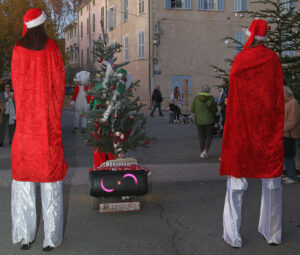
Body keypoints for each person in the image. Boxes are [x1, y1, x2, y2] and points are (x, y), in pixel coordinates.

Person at [220, 19, 284, 247]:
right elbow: (277, 98)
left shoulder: (241, 59)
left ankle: (232, 235)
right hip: (267, 130)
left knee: (236, 186)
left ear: (250, 36)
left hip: (243, 129)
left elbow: (235, 94)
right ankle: (273, 233)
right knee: (272, 184)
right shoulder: (274, 60)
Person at [11, 8, 68, 251]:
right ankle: (51, 239)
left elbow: (15, 85)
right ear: (42, 25)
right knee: (50, 185)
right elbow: (59, 85)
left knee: (24, 184)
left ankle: (25, 236)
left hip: (25, 130)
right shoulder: (52, 48)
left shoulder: (17, 49)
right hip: (46, 130)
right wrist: (54, 115)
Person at [191, 84, 217, 159]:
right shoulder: (211, 98)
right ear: (208, 90)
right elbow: (215, 109)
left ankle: (202, 152)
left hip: (199, 121)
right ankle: (205, 151)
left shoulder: (196, 98)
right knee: (209, 136)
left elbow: (193, 109)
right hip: (209, 121)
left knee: (201, 137)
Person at [282, 86, 300, 184]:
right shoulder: (287, 103)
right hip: (286, 134)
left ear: (287, 93)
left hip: (291, 135)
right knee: (287, 156)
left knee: (289, 156)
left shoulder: (293, 103)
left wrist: (281, 129)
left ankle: (292, 177)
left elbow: (293, 121)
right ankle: (290, 175)